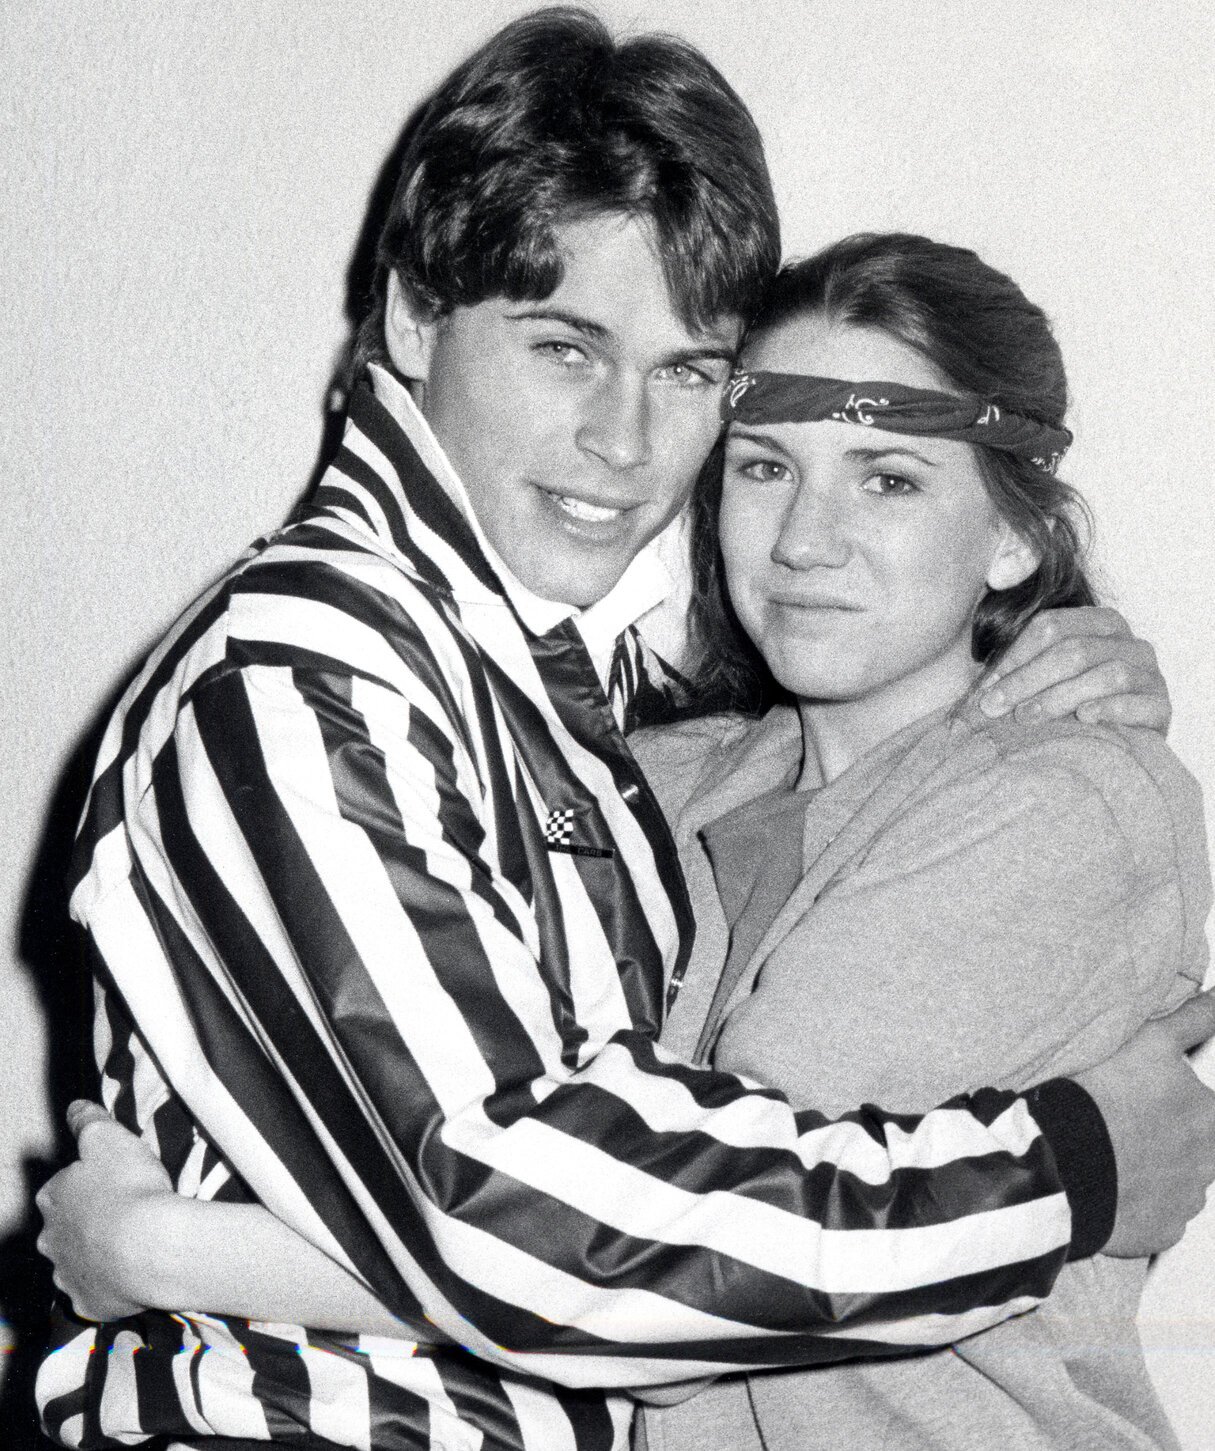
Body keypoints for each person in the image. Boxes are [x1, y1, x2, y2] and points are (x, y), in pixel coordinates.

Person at [33, 11, 1215, 1451]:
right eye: (563, 347)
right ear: (413, 316)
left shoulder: (578, 737)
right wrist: (1071, 1168)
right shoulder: (325, 689)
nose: (624, 443)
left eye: (682, 374)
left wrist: (169, 1249)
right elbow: (588, 1239)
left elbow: (643, 1265)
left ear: (1015, 536)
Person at [633, 233, 1211, 1450]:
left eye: (888, 478)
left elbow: (683, 1272)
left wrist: (170, 1253)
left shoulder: (1075, 808)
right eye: (763, 468)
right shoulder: (647, 781)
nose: (803, 538)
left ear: (1011, 540)